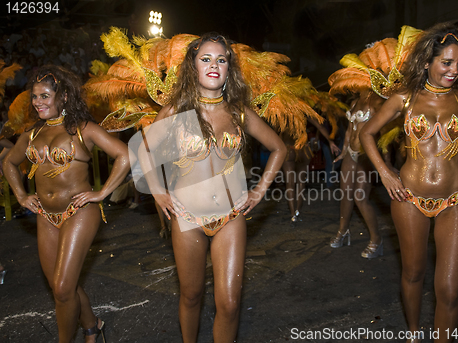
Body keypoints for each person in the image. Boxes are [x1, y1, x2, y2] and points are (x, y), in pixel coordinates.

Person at [138, 33, 286, 342]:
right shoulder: (176, 112)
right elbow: (143, 150)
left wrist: (259, 191)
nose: (214, 65)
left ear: (229, 70)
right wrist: (158, 191)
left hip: (230, 217)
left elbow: (279, 148)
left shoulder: (238, 113)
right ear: (193, 66)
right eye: (205, 58)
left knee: (229, 304)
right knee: (191, 296)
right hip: (187, 217)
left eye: (221, 59)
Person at [360, 24, 458, 342]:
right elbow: (367, 133)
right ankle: (415, 332)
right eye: (447, 62)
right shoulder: (405, 98)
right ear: (427, 61)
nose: (454, 70)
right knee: (414, 273)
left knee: (450, 289)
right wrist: (386, 174)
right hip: (409, 199)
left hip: (456, 199)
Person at [3, 65, 130, 343]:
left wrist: (102, 192)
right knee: (62, 286)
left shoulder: (83, 129)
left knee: (62, 288)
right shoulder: (32, 135)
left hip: (79, 211)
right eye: (35, 97)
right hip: (46, 216)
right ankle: (92, 326)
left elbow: (125, 156)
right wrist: (21, 195)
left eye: (46, 96)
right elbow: (9, 163)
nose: (39, 102)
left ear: (63, 97)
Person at [330, 89, 385, 258]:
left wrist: (386, 162)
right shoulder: (354, 102)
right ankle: (343, 231)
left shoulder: (377, 101)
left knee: (360, 198)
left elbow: (385, 131)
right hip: (350, 153)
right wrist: (343, 151)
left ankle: (376, 240)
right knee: (345, 195)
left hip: (365, 155)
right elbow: (349, 131)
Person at [281, 117, 339, 222]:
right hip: (304, 149)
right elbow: (320, 126)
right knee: (301, 182)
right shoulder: (303, 110)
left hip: (288, 149)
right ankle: (298, 211)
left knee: (290, 184)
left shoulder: (280, 111)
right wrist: (330, 141)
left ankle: (292, 214)